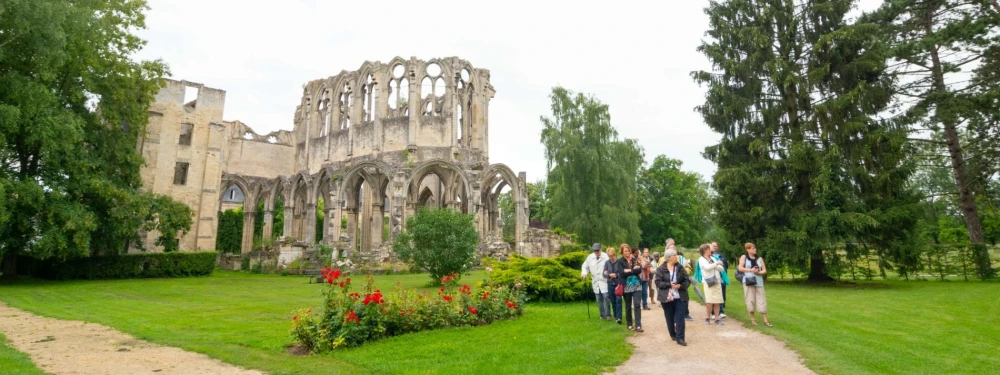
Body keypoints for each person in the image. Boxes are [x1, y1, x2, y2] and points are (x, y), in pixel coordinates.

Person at [655, 249, 690, 346]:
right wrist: (668, 284)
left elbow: (687, 280)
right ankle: (673, 334)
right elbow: (658, 283)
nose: (676, 257)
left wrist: (680, 286)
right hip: (667, 297)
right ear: (669, 257)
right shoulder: (661, 269)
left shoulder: (680, 268)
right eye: (674, 255)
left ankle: (680, 338)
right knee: (669, 317)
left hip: (680, 296)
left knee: (680, 318)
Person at [738, 243, 772, 327]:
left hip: (759, 281)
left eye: (755, 248)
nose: (754, 249)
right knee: (750, 299)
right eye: (752, 248)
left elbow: (764, 270)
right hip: (749, 281)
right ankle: (753, 319)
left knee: (762, 299)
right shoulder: (744, 257)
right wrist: (751, 270)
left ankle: (765, 320)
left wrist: (759, 272)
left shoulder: (759, 259)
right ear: (748, 249)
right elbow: (740, 268)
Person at [581, 243, 610, 320]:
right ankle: (602, 315)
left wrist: (608, 272)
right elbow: (585, 266)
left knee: (606, 297)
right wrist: (584, 273)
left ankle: (608, 315)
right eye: (595, 251)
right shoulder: (590, 257)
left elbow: (610, 266)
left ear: (601, 249)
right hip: (595, 282)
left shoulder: (606, 257)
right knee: (598, 300)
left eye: (597, 250)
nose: (596, 252)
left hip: (604, 281)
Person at [698, 243, 725, 326]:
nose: (711, 250)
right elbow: (707, 268)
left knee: (717, 301)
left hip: (717, 281)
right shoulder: (701, 259)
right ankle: (707, 317)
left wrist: (715, 265)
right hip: (708, 282)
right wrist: (716, 264)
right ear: (705, 250)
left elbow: (722, 269)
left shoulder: (713, 258)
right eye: (709, 249)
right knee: (709, 301)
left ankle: (717, 318)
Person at [619, 244, 643, 332]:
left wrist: (629, 270)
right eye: (625, 251)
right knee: (628, 305)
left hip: (637, 284)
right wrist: (633, 270)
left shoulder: (634, 260)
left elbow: (639, 270)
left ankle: (638, 325)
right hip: (626, 286)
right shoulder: (620, 261)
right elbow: (621, 272)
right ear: (622, 252)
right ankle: (629, 324)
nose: (627, 252)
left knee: (637, 304)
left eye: (628, 250)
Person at [603, 247, 623, 324]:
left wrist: (616, 275)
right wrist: (608, 275)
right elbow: (604, 273)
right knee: (613, 301)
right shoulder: (607, 263)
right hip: (610, 284)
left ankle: (619, 317)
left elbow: (621, 273)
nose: (611, 258)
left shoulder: (619, 262)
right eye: (609, 256)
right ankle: (616, 315)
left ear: (615, 255)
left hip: (618, 283)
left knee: (618, 300)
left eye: (612, 256)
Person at [711, 241, 729, 319]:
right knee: (713, 295)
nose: (714, 247)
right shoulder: (708, 256)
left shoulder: (722, 256)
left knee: (721, 294)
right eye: (713, 246)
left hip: (721, 277)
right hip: (712, 277)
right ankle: (713, 313)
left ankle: (721, 311)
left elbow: (725, 265)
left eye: (716, 246)